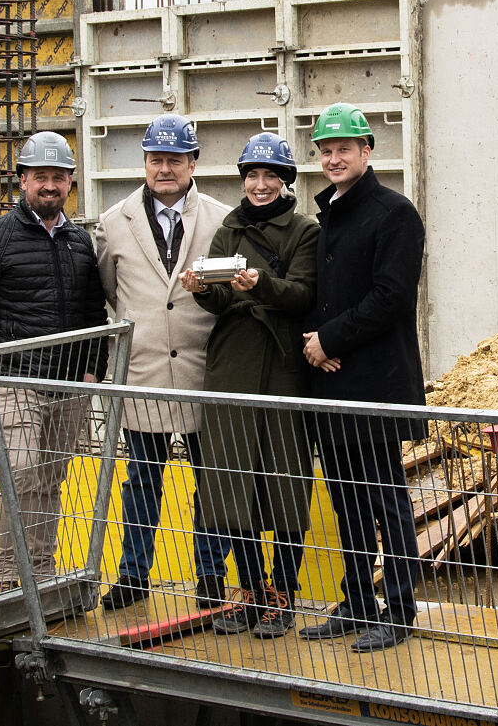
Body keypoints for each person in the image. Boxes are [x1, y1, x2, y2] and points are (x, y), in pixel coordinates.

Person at [0, 131, 108, 594]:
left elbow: (93, 314)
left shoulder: (79, 242)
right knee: (20, 473)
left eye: (58, 178)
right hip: (11, 379)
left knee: (49, 479)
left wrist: (92, 369)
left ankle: (39, 572)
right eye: (41, 177)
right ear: (22, 180)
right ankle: (5, 577)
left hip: (66, 384)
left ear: (69, 184)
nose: (50, 186)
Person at [178, 133, 320, 638]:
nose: (259, 185)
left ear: (286, 183)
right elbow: (218, 304)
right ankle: (251, 590)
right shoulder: (228, 228)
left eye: (270, 177)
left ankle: (283, 593)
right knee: (231, 482)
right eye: (252, 176)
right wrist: (203, 290)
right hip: (232, 367)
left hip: (282, 369)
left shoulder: (304, 230)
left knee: (284, 484)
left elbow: (304, 294)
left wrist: (261, 285)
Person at [297, 103, 427, 653]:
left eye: (343, 148)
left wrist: (331, 339)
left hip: (374, 381)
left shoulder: (394, 213)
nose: (333, 158)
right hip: (333, 379)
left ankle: (398, 610)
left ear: (367, 150)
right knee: (347, 499)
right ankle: (356, 603)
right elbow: (320, 294)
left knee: (383, 496)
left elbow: (391, 297)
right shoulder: (329, 214)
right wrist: (314, 343)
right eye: (325, 151)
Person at [95, 113, 232, 610]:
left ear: (193, 163)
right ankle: (132, 576)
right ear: (145, 164)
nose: (165, 169)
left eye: (176, 160)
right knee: (142, 480)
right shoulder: (115, 223)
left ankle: (211, 577)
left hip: (201, 372)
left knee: (208, 480)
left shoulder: (220, 219)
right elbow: (113, 294)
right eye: (157, 160)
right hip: (145, 372)